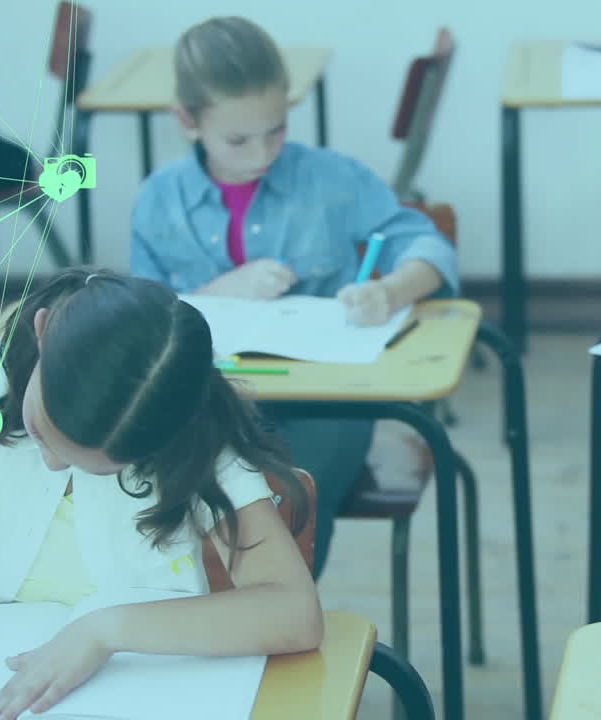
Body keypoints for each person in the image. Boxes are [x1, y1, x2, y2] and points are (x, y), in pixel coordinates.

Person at [0, 269, 323, 720]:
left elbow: (293, 611)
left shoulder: (192, 435)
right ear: (43, 330)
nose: (54, 464)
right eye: (41, 433)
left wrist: (104, 630)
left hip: (142, 697)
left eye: (92, 465)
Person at [130, 17, 460, 576]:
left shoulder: (331, 179)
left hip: (323, 404)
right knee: (169, 497)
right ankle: (203, 624)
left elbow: (430, 245)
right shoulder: (159, 200)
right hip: (206, 405)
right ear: (187, 121)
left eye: (277, 129)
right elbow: (138, 320)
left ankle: (276, 620)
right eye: (238, 139)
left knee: (289, 498)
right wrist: (217, 293)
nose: (262, 152)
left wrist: (391, 290)